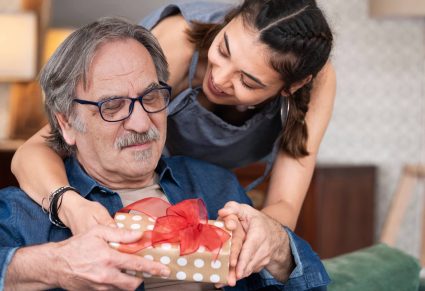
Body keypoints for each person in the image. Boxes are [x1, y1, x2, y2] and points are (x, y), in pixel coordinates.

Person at [0, 17, 329, 290]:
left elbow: (311, 283)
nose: (142, 123)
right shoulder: (23, 210)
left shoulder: (216, 187)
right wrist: (53, 265)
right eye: (112, 106)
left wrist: (280, 251)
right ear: (66, 123)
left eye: (152, 97)